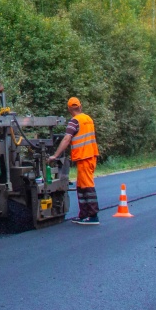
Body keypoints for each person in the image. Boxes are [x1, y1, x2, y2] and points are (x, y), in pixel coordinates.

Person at [50, 96, 100, 225]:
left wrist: (55, 155)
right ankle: (84, 215)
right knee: (81, 186)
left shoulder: (75, 121)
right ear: (80, 106)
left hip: (84, 156)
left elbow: (67, 139)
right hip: (90, 156)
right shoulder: (88, 119)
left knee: (87, 185)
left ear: (69, 109)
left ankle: (93, 216)